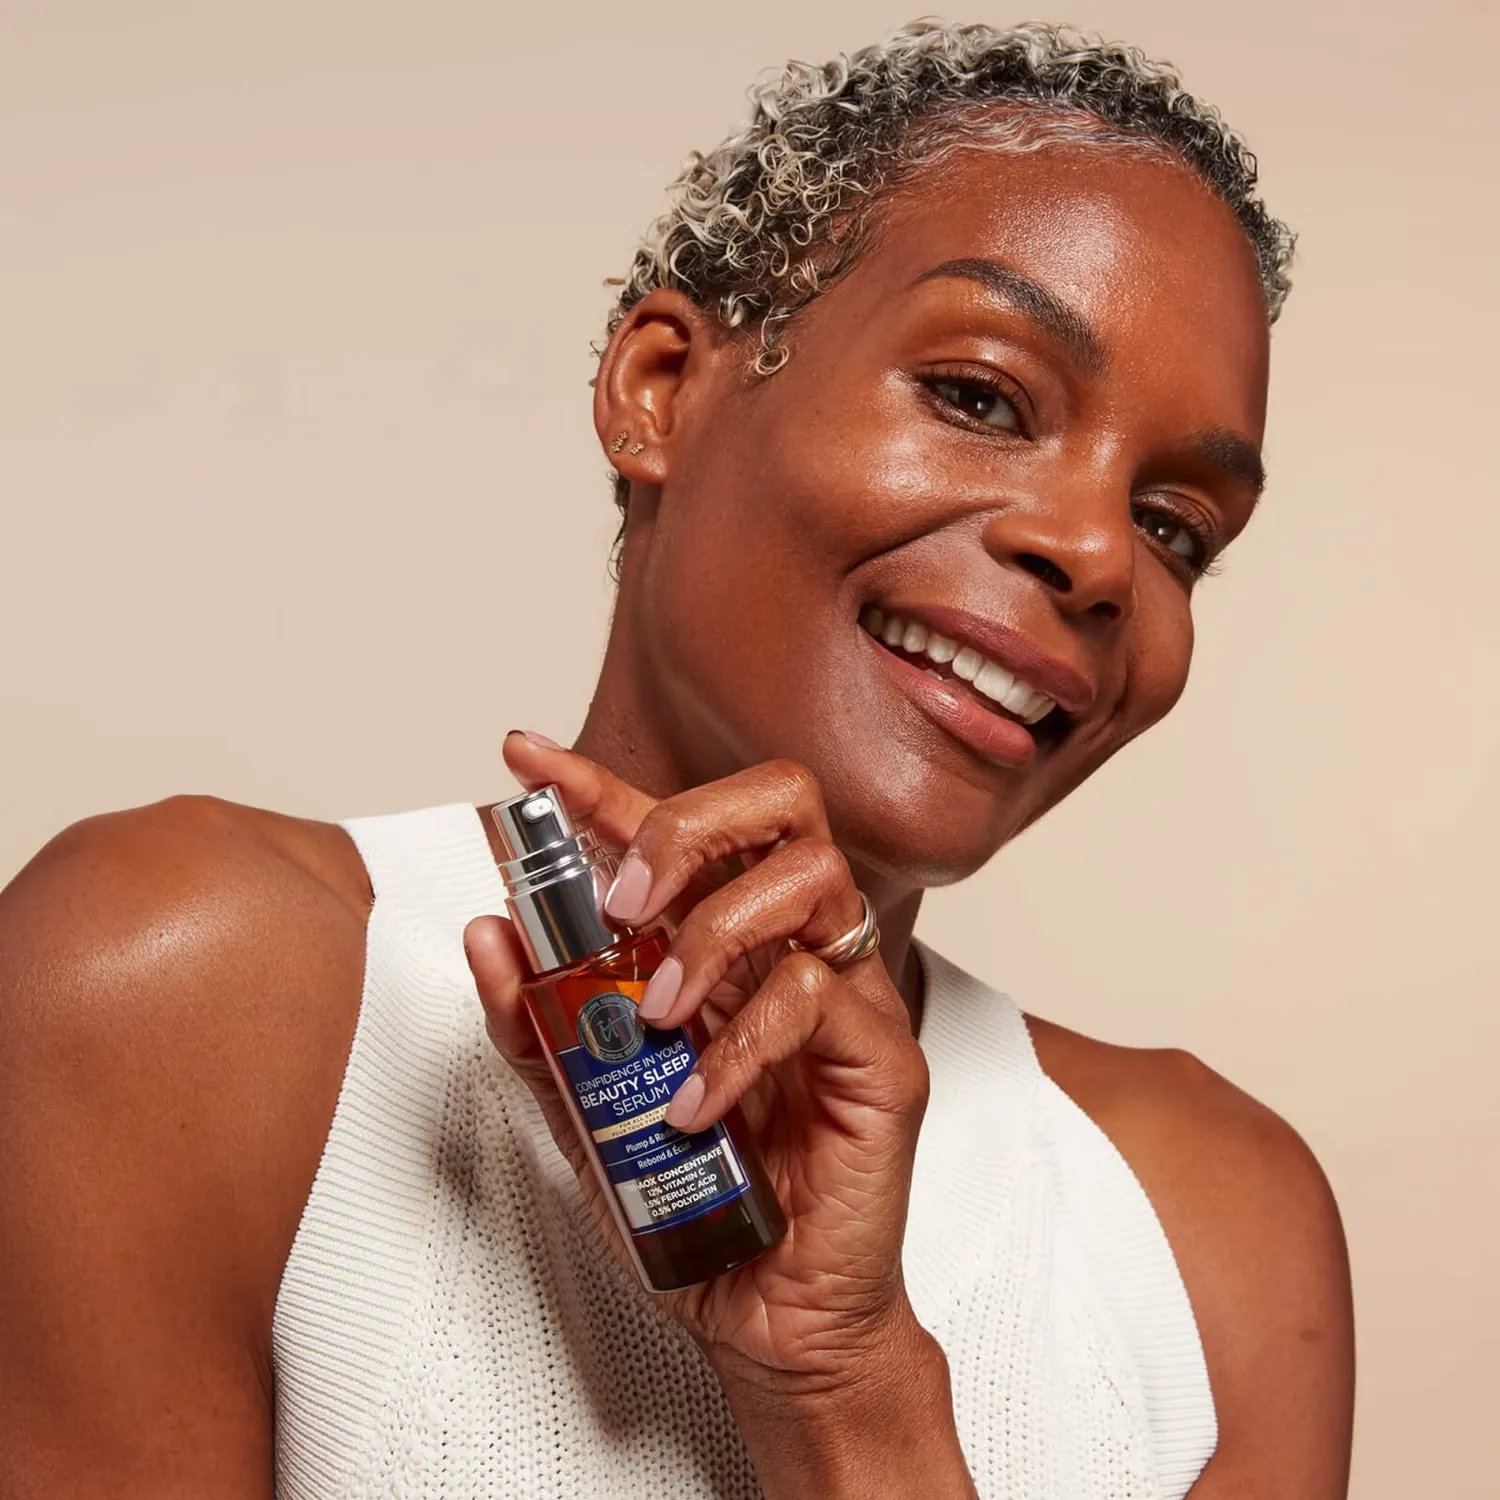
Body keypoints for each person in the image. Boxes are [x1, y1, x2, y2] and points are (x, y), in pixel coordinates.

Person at [0, 19, 1355, 1500]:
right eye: (978, 396)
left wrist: (845, 1384)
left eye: (1175, 527)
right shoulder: (184, 986)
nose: (1097, 554)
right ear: (660, 388)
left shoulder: (1211, 1230)